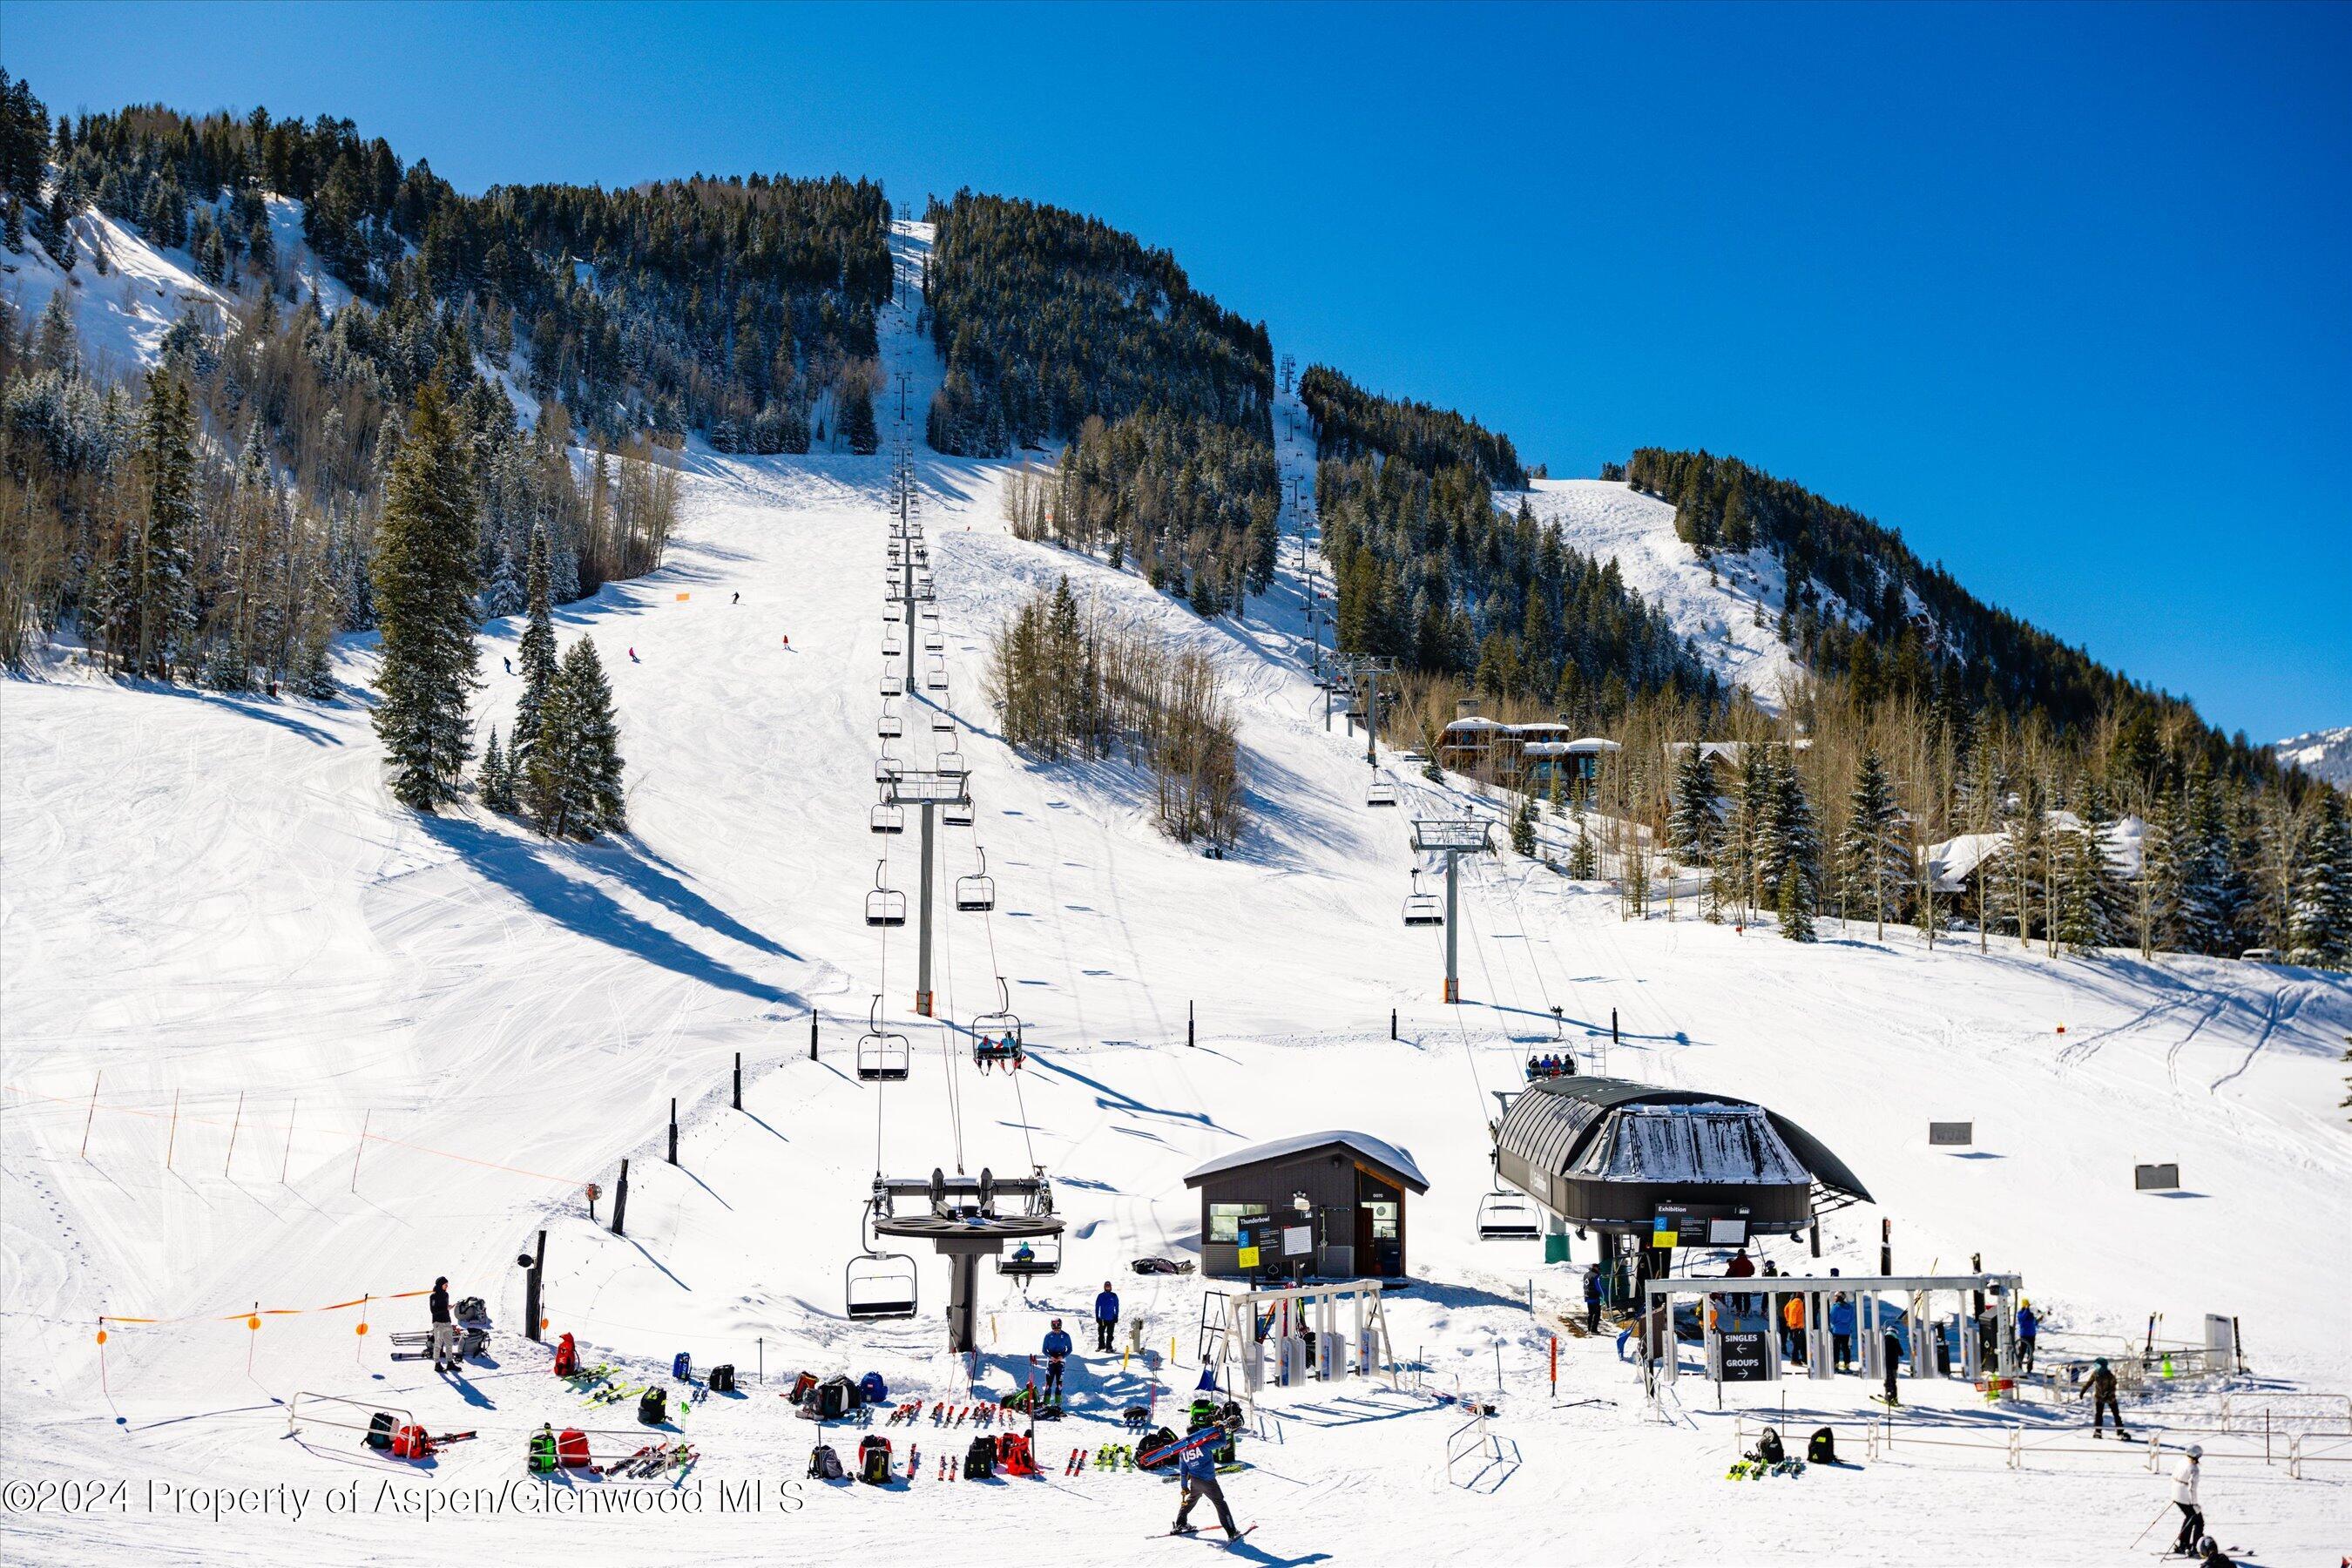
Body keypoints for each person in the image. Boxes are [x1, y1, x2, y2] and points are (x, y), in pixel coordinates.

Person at [1171, 1429, 1240, 1541]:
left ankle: (1181, 1523)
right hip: (1208, 1481)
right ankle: (1232, 1532)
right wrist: (1221, 1429)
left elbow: (1183, 1471)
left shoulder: (1183, 1452)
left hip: (1195, 1481)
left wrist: (1184, 1486)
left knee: (1192, 1499)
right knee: (1220, 1503)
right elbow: (1222, 1442)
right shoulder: (1203, 1445)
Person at [2170, 1445, 2205, 1555]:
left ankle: (2184, 1543)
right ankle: (2197, 1545)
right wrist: (2195, 1504)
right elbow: (2192, 1488)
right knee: (2198, 1520)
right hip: (2185, 1496)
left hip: (2175, 1492)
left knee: (2190, 1517)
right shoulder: (2194, 1468)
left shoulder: (2182, 1461)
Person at [2081, 1356, 2128, 1437]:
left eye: (2098, 1365)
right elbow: (2089, 1383)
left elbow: (2113, 1386)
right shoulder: (2096, 1373)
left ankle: (2120, 1431)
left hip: (2110, 1398)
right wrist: (2083, 1391)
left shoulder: (2109, 1375)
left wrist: (2108, 1393)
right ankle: (2098, 1431)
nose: (2096, 1367)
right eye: (2095, 1365)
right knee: (2099, 1414)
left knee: (2116, 1414)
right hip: (2099, 1397)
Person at [429, 1276, 456, 1373]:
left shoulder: (446, 1295)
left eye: (447, 1284)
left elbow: (444, 1307)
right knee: (438, 1344)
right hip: (438, 1323)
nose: (447, 1286)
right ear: (440, 1285)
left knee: (449, 1343)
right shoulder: (433, 1296)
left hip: (447, 1322)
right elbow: (433, 1311)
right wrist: (446, 1309)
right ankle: (437, 1364)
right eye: (445, 1285)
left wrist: (449, 1307)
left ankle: (450, 1363)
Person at [1041, 1318, 1071, 1401]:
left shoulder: (1066, 1336)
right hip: (1051, 1360)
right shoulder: (1048, 1336)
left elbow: (1070, 1349)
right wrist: (1051, 1357)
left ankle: (1058, 1402)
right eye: (1054, 1329)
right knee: (1048, 1384)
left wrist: (1062, 1356)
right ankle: (1046, 1402)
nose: (1056, 1331)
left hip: (1061, 1360)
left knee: (1059, 1384)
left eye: (1058, 1329)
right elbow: (1044, 1350)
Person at [1828, 1293, 1856, 1372]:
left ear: (1838, 1297)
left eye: (1836, 1296)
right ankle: (1847, 1364)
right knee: (1846, 1348)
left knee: (1836, 1348)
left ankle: (1836, 1364)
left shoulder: (1835, 1307)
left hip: (1837, 1330)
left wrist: (1835, 1325)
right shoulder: (1850, 1308)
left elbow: (1832, 1318)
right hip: (1846, 1331)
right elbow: (1851, 1318)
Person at [1094, 1281, 1121, 1354]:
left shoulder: (1114, 1296)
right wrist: (1097, 1316)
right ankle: (1101, 1345)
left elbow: (1117, 1307)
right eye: (1106, 1287)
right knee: (1101, 1333)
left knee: (1110, 1334)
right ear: (1104, 1287)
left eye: (1109, 1287)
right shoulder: (1100, 1296)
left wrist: (1116, 1316)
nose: (1108, 1288)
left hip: (1111, 1319)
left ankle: (1109, 1347)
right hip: (1102, 1319)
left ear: (1111, 1287)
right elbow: (1097, 1307)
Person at [1780, 1291, 1805, 1365]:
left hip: (1795, 1326)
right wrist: (1793, 1323)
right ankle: (1795, 1360)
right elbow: (1793, 1312)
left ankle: (1800, 1359)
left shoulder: (1792, 1300)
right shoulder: (1798, 1301)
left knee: (1800, 1343)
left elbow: (1786, 1309)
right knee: (1798, 1344)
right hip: (1797, 1326)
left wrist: (1788, 1320)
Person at [1881, 1325, 1903, 1406]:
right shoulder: (1895, 1341)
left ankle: (1888, 1397)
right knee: (1893, 1381)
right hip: (1894, 1365)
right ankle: (1894, 1397)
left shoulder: (1883, 1340)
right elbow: (1901, 1353)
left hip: (1885, 1364)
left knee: (1887, 1381)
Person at [2016, 1300, 2039, 1374]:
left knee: (2031, 1352)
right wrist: (2026, 1309)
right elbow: (2022, 1318)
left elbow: (2034, 1323)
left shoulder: (2031, 1314)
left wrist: (2038, 1320)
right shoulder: (2020, 1314)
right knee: (2022, 1352)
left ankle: (2030, 1369)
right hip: (2024, 1336)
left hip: (2032, 1335)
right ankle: (2019, 1367)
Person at [1583, 1265, 1605, 1335]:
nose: (1599, 1270)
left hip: (1588, 1296)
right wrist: (1605, 1292)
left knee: (1590, 1313)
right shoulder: (1595, 1276)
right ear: (1595, 1268)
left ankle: (1589, 1329)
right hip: (1594, 1297)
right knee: (1597, 1314)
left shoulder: (1586, 1275)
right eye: (1599, 1268)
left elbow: (1585, 1286)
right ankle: (1594, 1330)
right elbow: (1598, 1287)